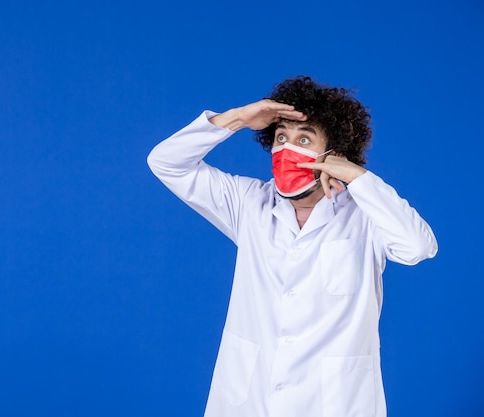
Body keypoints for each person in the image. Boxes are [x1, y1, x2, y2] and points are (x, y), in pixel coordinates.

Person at [146, 76, 438, 417]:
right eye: (281, 137)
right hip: (250, 398)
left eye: (304, 139)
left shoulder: (365, 215)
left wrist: (359, 178)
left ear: (336, 154)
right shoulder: (249, 203)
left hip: (334, 403)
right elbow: (166, 162)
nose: (287, 148)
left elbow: (417, 247)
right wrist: (238, 118)